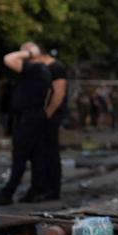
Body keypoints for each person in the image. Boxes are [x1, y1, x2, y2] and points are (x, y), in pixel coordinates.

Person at [0, 43, 51, 205]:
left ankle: (8, 193)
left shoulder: (35, 68)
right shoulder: (37, 70)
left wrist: (28, 52)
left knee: (20, 156)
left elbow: (8, 59)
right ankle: (36, 191)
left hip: (28, 117)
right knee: (36, 156)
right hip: (31, 116)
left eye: (24, 50)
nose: (21, 53)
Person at [21, 49, 67, 202]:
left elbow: (59, 92)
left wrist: (48, 113)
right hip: (43, 115)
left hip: (50, 117)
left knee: (50, 152)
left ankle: (53, 189)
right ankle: (42, 187)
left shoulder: (56, 68)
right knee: (41, 153)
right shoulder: (46, 68)